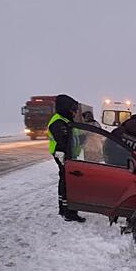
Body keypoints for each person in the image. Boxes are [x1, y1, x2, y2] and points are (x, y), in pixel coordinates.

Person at [47, 94, 86, 222]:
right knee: (68, 181)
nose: (74, 113)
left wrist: (83, 138)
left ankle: (65, 208)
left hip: (69, 155)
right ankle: (68, 211)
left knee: (66, 180)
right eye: (73, 109)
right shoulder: (58, 122)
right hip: (62, 155)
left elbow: (73, 138)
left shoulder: (66, 120)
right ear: (65, 108)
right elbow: (64, 141)